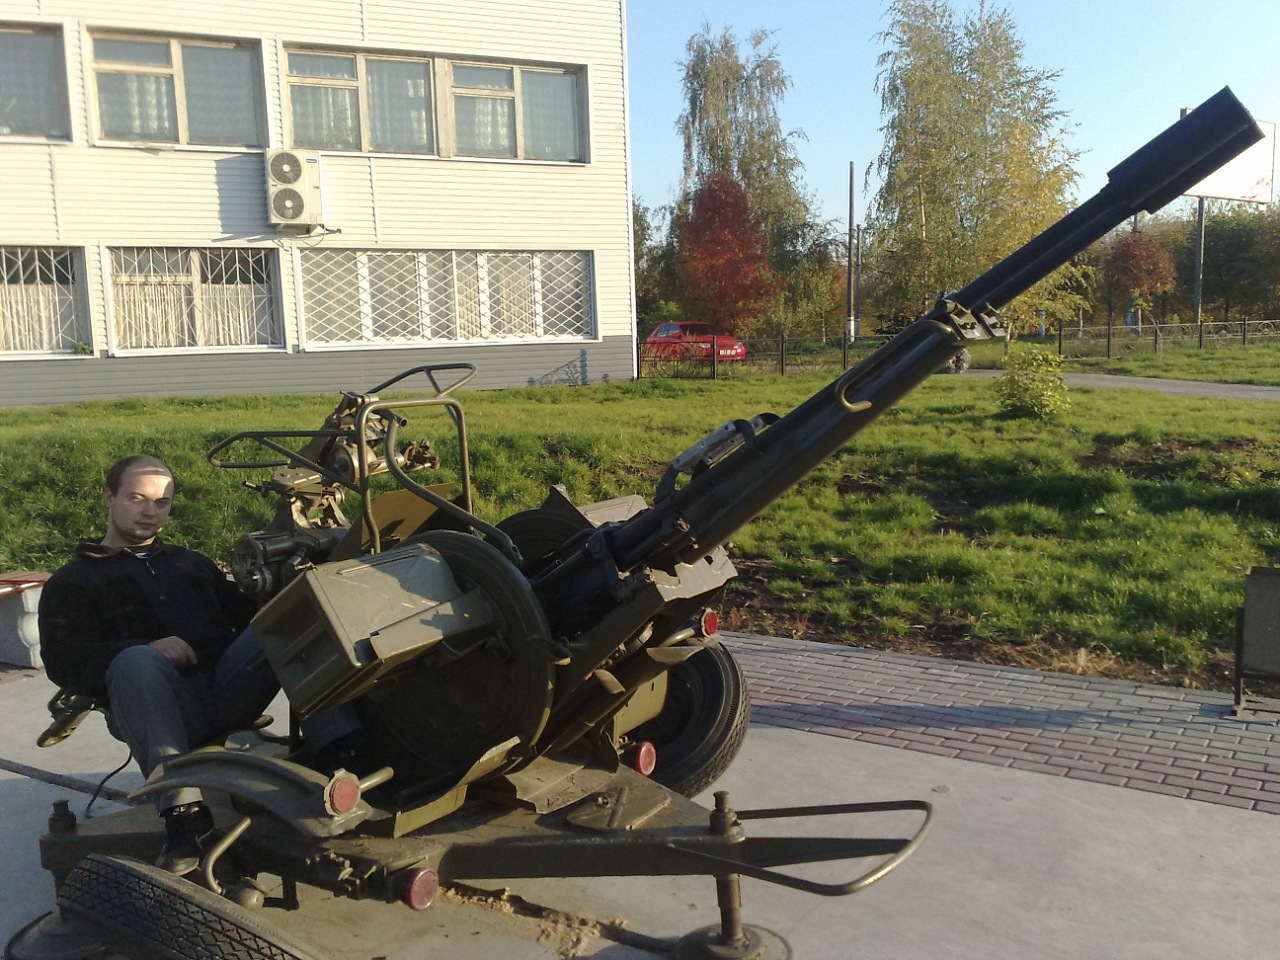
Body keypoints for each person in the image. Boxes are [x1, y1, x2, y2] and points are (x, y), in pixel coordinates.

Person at [38, 454, 359, 875]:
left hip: (226, 691)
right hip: (156, 707)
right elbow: (62, 661)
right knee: (137, 660)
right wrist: (147, 646)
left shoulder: (189, 564)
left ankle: (343, 752)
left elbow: (250, 615)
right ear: (109, 497)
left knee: (287, 621)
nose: (150, 512)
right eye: (137, 498)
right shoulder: (74, 581)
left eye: (162, 502)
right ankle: (185, 816)